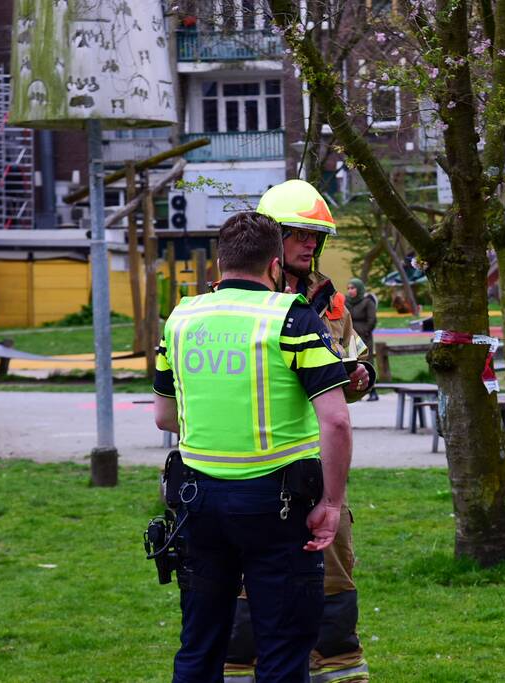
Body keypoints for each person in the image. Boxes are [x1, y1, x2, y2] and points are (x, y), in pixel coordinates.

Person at [152, 211, 353, 683]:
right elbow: (337, 422)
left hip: (196, 503)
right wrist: (332, 503)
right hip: (278, 507)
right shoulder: (292, 318)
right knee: (282, 650)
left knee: (200, 644)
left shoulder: (181, 317)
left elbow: (164, 416)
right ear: (274, 266)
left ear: (221, 261)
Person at [223, 180, 375, 683]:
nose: (311, 244)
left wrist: (358, 377)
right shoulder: (238, 302)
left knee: (334, 581)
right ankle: (242, 671)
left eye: (317, 236)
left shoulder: (330, 304)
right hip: (257, 473)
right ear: (272, 238)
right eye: (301, 234)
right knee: (248, 590)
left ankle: (335, 670)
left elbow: (349, 364)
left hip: (318, 470)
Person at [345, 278, 378, 402]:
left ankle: (372, 390)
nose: (350, 291)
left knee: (367, 362)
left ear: (359, 289)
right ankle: (355, 391)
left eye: (353, 288)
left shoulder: (367, 302)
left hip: (364, 338)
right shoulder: (345, 302)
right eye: (348, 288)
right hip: (351, 337)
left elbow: (372, 319)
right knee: (353, 363)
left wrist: (365, 331)